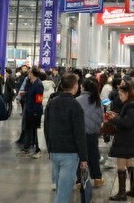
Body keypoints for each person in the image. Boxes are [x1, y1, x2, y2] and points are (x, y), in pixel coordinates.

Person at [46, 73, 89, 203]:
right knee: (63, 194)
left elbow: (47, 127)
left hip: (54, 151)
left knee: (60, 189)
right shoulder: (75, 105)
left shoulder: (52, 102)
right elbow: (79, 133)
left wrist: (49, 148)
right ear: (75, 86)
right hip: (69, 153)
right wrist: (83, 158)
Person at [106, 82, 134, 201]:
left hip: (126, 140)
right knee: (129, 162)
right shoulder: (133, 104)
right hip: (131, 138)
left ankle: (122, 193)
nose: (119, 97)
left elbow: (127, 123)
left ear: (127, 93)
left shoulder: (131, 106)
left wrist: (114, 118)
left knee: (121, 164)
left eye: (121, 94)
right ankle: (133, 189)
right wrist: (117, 116)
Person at [76, 78, 104, 188]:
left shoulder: (77, 100)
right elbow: (101, 116)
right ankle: (97, 178)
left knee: (81, 157)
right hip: (93, 133)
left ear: (83, 87)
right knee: (94, 155)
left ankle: (80, 181)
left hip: (81, 133)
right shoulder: (97, 99)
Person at [20, 67, 45, 158]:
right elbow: (31, 94)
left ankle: (38, 150)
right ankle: (26, 147)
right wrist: (25, 93)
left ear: (33, 74)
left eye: (29, 73)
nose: (28, 74)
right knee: (28, 129)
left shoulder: (39, 84)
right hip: (29, 110)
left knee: (35, 131)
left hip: (35, 111)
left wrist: (36, 112)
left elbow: (39, 99)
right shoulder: (32, 83)